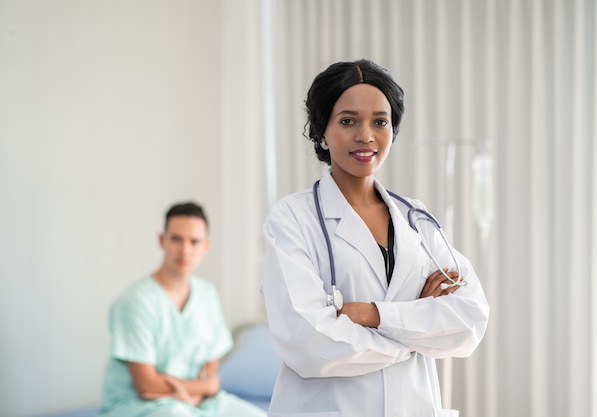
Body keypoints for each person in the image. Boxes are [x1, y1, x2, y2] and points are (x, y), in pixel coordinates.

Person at [260, 59, 490, 417]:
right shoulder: (292, 220)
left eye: (380, 122)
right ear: (322, 130)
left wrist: (372, 315)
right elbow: (309, 342)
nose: (366, 135)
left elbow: (469, 320)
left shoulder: (417, 218)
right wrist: (417, 333)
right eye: (348, 121)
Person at [98, 202, 266, 417]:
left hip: (196, 401)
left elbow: (210, 361)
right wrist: (206, 387)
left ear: (206, 246)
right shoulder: (135, 302)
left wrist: (196, 394)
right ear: (162, 240)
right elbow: (147, 385)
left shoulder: (207, 294)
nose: (185, 249)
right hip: (139, 405)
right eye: (176, 239)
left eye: (194, 241)